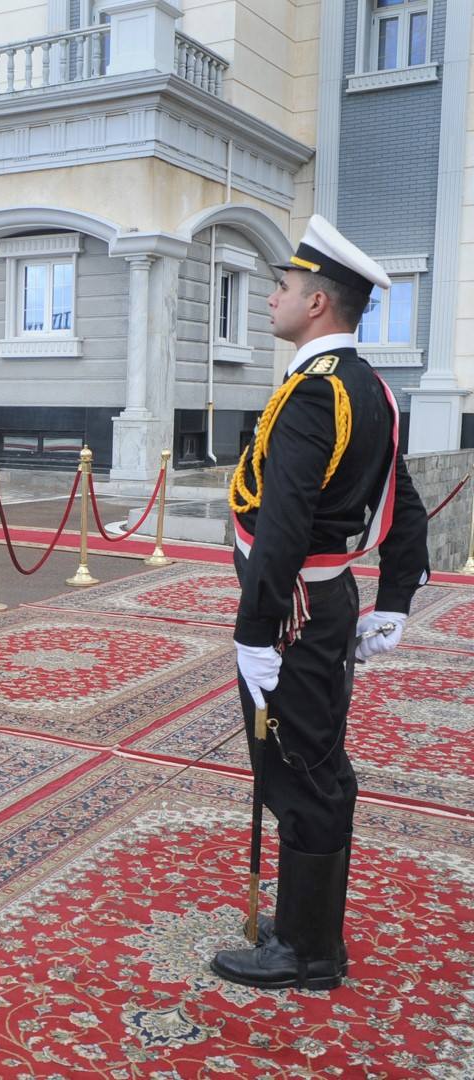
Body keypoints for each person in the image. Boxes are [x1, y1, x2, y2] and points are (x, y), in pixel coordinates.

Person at [210, 215, 429, 991]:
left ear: (317, 306)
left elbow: (284, 523)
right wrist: (395, 597)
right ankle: (308, 929)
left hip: (295, 611)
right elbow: (403, 501)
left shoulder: (313, 394)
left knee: (299, 770)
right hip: (326, 603)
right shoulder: (369, 387)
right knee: (313, 761)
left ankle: (306, 953)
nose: (269, 298)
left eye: (281, 288)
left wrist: (254, 630)